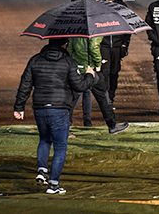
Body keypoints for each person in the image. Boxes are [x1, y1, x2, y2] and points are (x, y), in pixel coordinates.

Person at [13, 38, 97, 194]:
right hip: (59, 109)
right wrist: (90, 75)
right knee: (60, 147)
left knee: (44, 139)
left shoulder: (35, 60)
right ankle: (53, 184)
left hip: (39, 108)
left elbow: (25, 84)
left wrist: (19, 106)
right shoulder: (69, 62)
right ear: (64, 44)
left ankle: (42, 170)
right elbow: (79, 86)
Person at [66, 0, 102, 128]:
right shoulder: (90, 23)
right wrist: (97, 63)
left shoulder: (72, 23)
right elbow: (94, 47)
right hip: (88, 65)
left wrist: (71, 62)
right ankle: (87, 119)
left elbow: (70, 47)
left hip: (77, 64)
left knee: (76, 93)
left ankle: (70, 120)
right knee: (86, 92)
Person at [99, 0, 131, 103]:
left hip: (117, 45)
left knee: (114, 72)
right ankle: (106, 98)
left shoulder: (122, 6)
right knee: (104, 72)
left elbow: (129, 27)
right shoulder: (98, 6)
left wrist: (125, 44)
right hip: (104, 45)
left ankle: (111, 95)